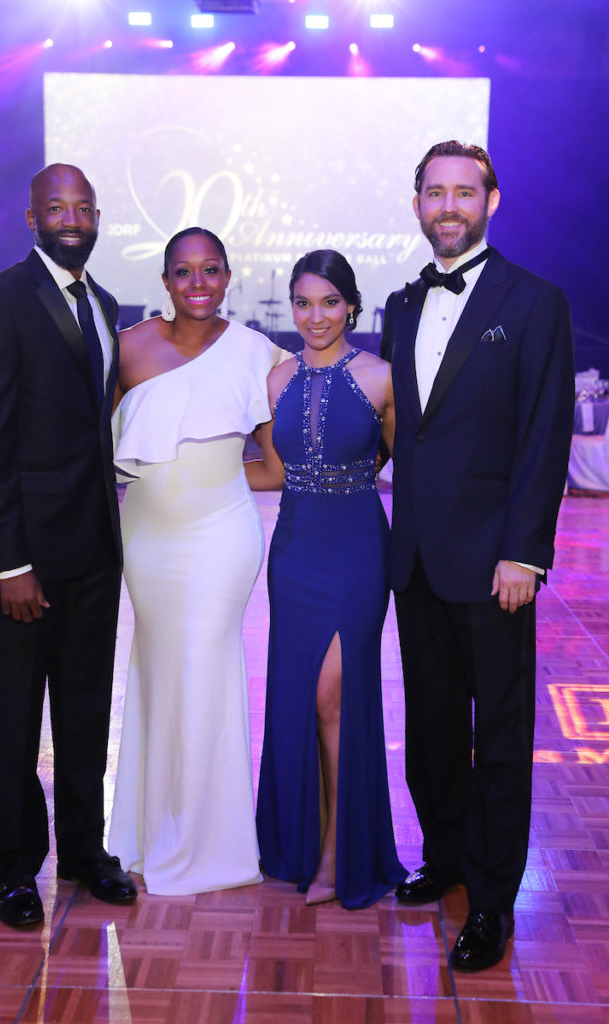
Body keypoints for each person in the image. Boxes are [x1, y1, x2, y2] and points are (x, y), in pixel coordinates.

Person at [380, 141, 575, 969]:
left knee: (497, 735)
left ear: (490, 200)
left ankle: (491, 900)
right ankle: (448, 856)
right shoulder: (398, 304)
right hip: (415, 558)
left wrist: (524, 555)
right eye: (435, 192)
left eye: (464, 192)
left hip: (494, 564)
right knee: (428, 732)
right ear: (417, 203)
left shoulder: (534, 302)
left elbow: (542, 434)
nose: (448, 205)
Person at [0, 163, 137, 928]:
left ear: (97, 217)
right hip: (26, 560)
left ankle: (85, 853)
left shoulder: (103, 302)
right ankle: (16, 869)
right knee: (16, 719)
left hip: (95, 549)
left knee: (89, 711)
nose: (71, 217)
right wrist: (10, 563)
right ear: (31, 217)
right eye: (55, 207)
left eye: (83, 206)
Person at [108, 226, 283, 895]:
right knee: (157, 671)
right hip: (148, 539)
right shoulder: (126, 351)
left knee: (206, 668)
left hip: (222, 536)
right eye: (184, 272)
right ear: (164, 282)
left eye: (211, 270)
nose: (199, 283)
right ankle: (147, 832)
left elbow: (273, 464)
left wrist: (217, 482)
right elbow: (97, 449)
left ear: (228, 276)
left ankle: (211, 843)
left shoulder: (255, 353)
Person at [246, 250, 406, 909]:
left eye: (330, 302)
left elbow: (391, 454)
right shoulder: (275, 379)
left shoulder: (380, 378)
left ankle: (341, 852)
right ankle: (299, 843)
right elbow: (274, 471)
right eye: (304, 303)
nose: (316, 316)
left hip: (356, 549)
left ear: (350, 305)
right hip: (292, 551)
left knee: (332, 696)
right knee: (298, 697)